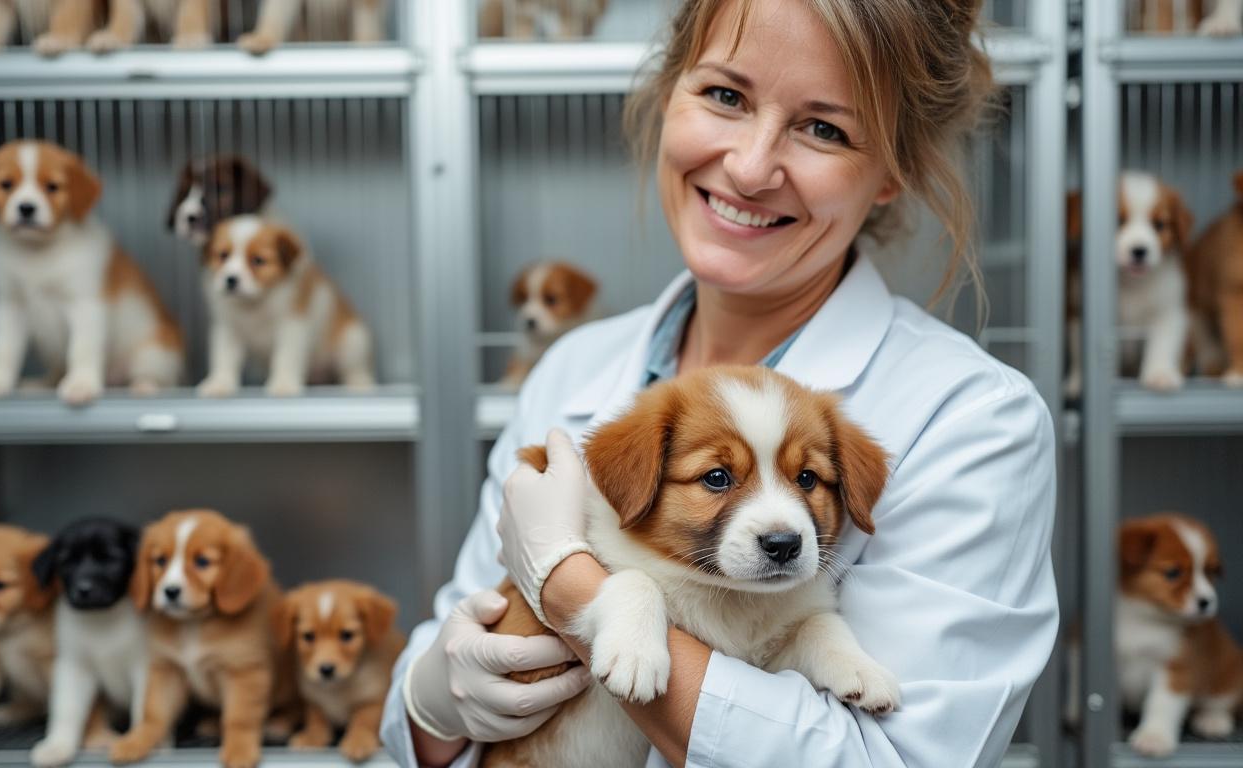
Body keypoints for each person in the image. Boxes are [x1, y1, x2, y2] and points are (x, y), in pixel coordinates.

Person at [382, 0, 1059, 765]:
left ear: (891, 174)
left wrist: (575, 596)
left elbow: (902, 758)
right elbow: (434, 713)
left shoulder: (972, 419)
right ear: (669, 91)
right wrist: (433, 697)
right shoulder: (574, 370)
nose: (748, 166)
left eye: (824, 128)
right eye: (726, 96)